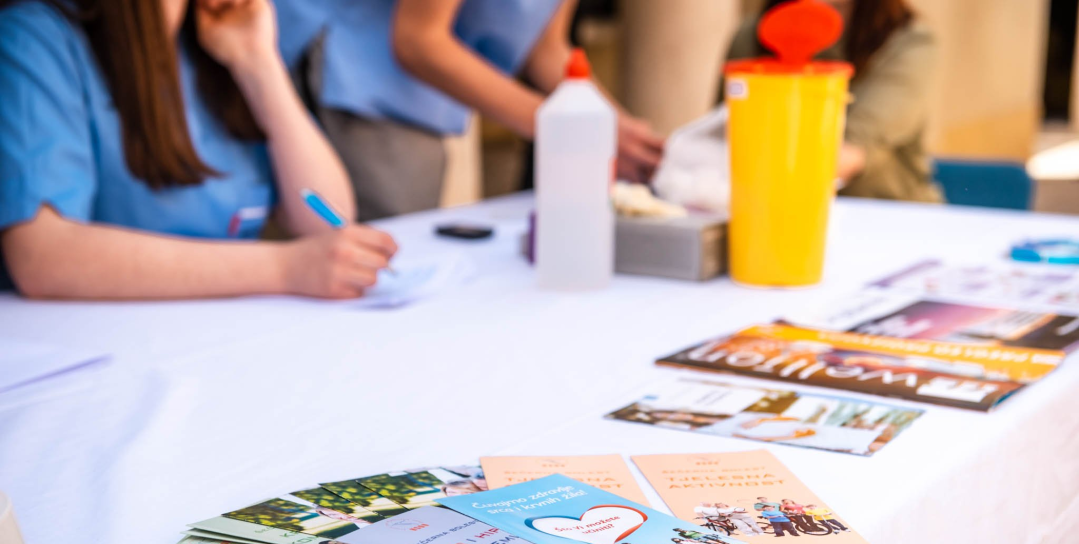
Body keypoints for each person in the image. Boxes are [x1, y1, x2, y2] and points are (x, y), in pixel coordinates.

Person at [0, 0, 397, 300]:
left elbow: (327, 219)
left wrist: (259, 63)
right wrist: (283, 268)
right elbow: (41, 256)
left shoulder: (217, 44)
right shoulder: (37, 37)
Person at [275, 0, 665, 221]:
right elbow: (417, 40)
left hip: (413, 81)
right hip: (359, 65)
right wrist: (564, 129)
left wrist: (617, 128)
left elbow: (548, 50)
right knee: (380, 250)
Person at [725, 0, 941, 203]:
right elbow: (723, 132)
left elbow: (847, 152)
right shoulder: (755, 34)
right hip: (765, 212)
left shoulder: (911, 42)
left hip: (890, 217)